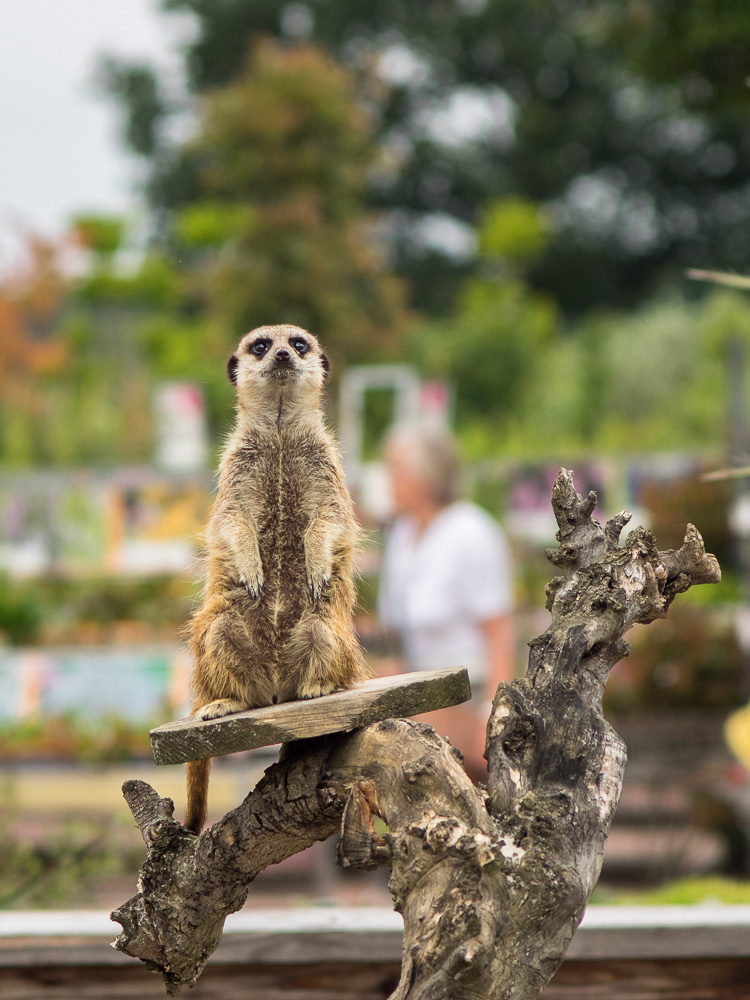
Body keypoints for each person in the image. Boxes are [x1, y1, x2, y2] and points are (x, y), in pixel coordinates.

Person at [377, 423, 514, 778]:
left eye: (395, 469)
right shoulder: (403, 534)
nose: (387, 478)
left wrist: (494, 715)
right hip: (420, 692)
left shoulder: (471, 531)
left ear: (426, 478)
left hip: (467, 697)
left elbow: (499, 632)